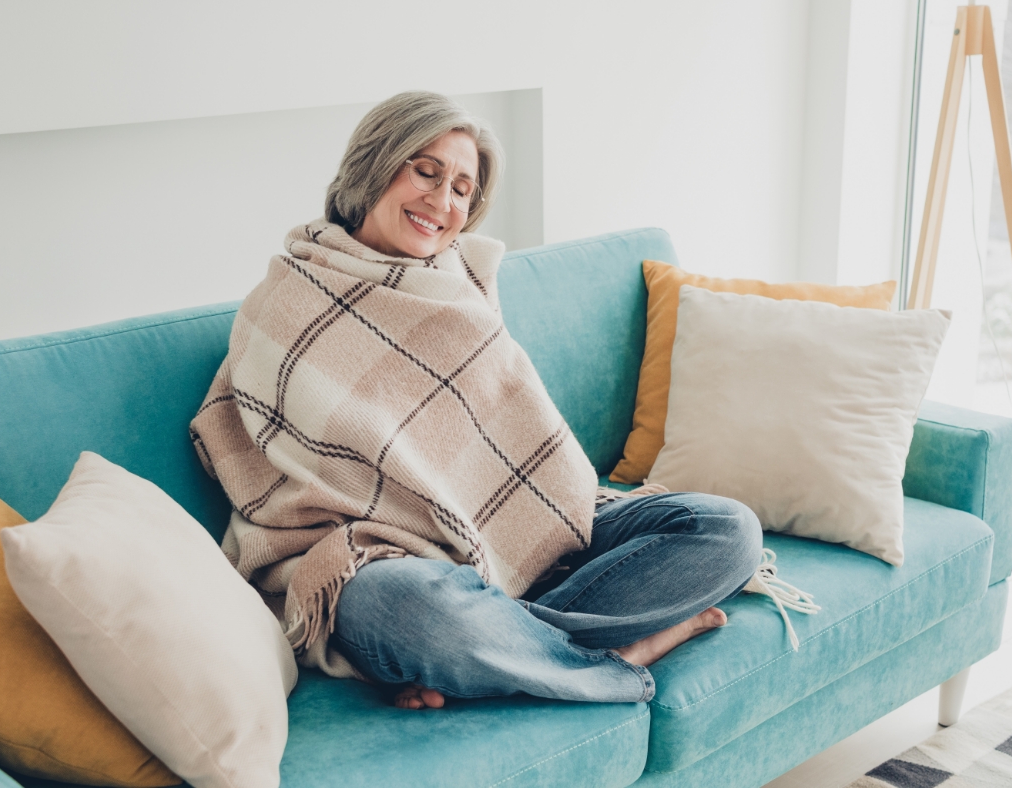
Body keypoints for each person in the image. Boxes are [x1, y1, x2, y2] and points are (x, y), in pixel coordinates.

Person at [191, 91, 764, 711]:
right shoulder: (285, 302)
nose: (442, 203)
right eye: (425, 171)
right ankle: (613, 659)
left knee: (726, 529)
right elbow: (252, 451)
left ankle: (501, 650)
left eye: (462, 188)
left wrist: (487, 605)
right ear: (374, 165)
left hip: (524, 530)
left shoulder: (462, 281)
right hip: (386, 561)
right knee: (408, 610)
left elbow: (505, 436)